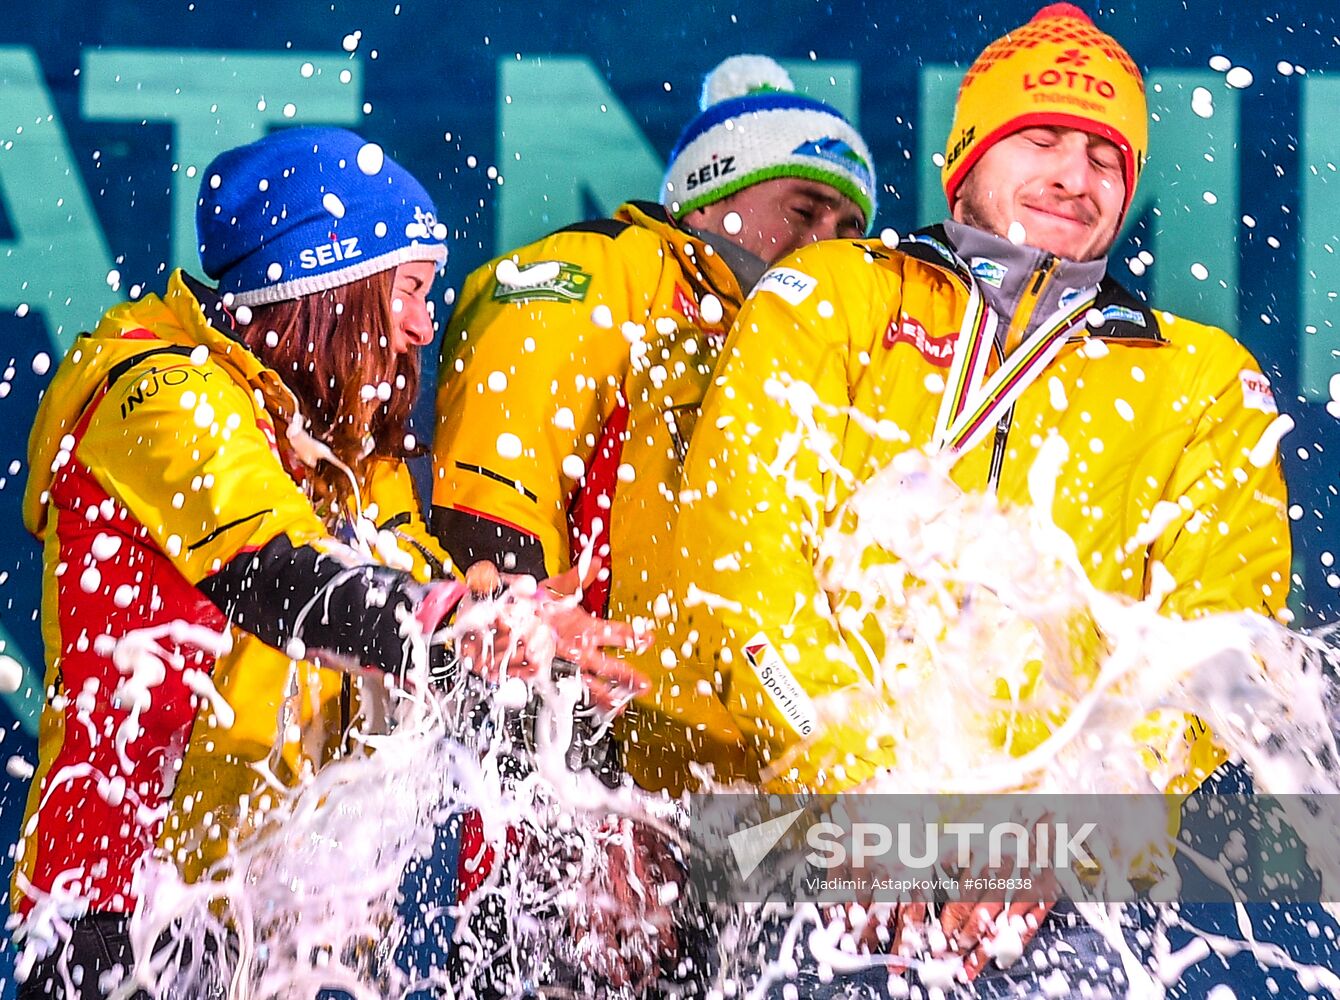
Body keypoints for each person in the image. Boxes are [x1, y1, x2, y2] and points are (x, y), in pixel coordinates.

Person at [671, 4, 1291, 995]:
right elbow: (737, 560)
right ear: (964, 165)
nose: (1071, 175)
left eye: (1102, 156)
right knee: (773, 893)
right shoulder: (834, 294)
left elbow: (1221, 634)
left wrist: (1078, 815)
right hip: (814, 803)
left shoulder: (1197, 377)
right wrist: (864, 779)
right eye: (1037, 139)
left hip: (1065, 848)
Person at [13, 126, 641, 999]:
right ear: (327, 287)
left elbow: (411, 570)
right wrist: (457, 623)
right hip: (117, 923)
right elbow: (277, 573)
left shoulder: (334, 436)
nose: (427, 322)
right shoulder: (156, 393)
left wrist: (499, 612)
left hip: (279, 923)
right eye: (409, 289)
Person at [431, 54, 878, 798]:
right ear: (706, 199)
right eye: (802, 212)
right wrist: (558, 772)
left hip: (760, 779)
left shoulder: (833, 347)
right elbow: (492, 495)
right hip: (596, 762)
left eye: (850, 225)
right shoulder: (603, 271)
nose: (827, 243)